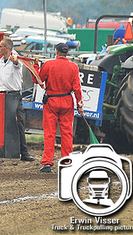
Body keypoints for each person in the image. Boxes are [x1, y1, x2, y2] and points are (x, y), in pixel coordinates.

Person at [37, 42, 84, 173]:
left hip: (51, 101)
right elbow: (77, 89)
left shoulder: (49, 65)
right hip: (67, 101)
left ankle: (47, 162)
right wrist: (80, 105)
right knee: (67, 133)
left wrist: (35, 66)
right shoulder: (73, 67)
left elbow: (38, 79)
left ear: (56, 52)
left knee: (50, 133)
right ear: (67, 53)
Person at [0, 38, 35, 162]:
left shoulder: (15, 59)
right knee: (4, 123)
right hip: (2, 95)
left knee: (19, 123)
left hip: (13, 95)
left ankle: (24, 152)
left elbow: (17, 64)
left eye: (0, 46)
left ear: (6, 48)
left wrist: (15, 60)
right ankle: (6, 151)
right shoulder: (0, 62)